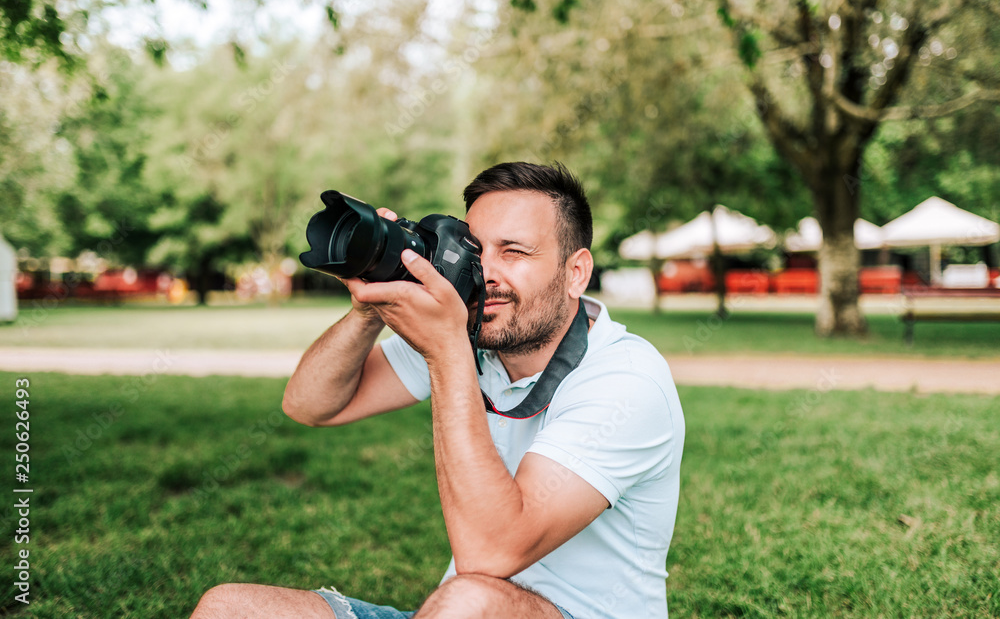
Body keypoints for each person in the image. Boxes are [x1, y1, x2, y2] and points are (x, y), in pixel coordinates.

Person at [191, 162, 685, 619]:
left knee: (470, 600)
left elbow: (490, 552)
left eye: (513, 252)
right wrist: (372, 306)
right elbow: (309, 404)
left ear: (576, 272)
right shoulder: (473, 333)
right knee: (228, 607)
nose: (485, 274)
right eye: (477, 250)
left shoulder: (626, 379)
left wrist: (446, 348)